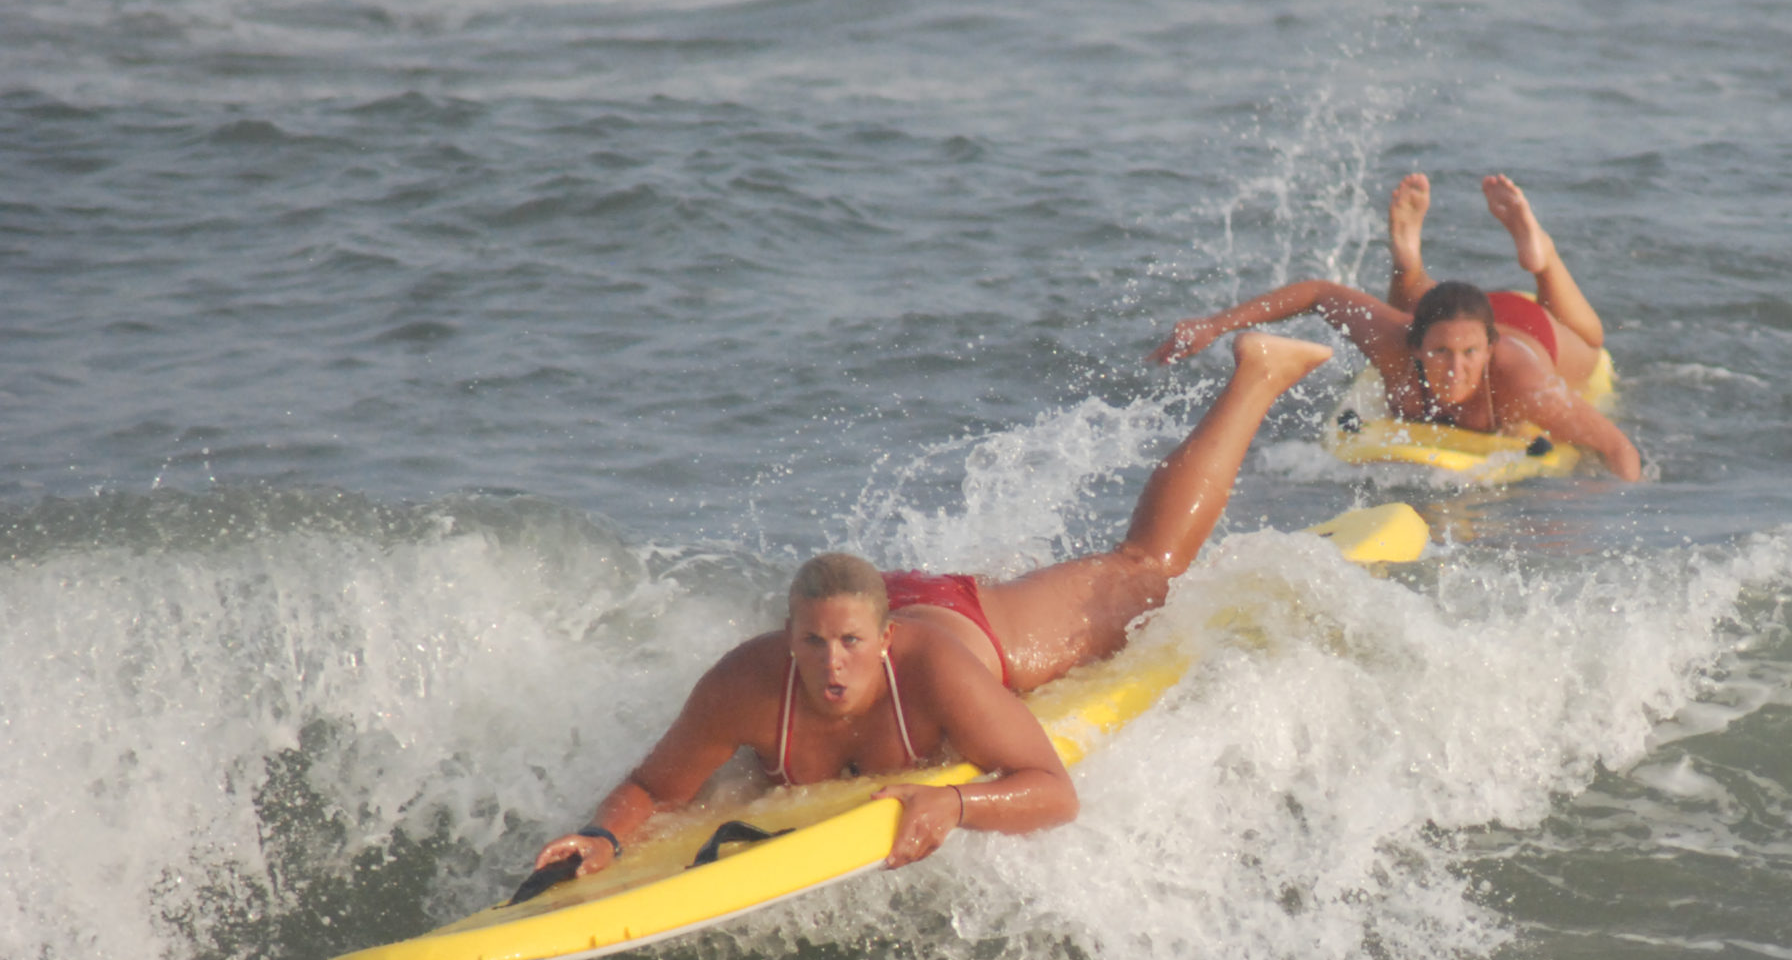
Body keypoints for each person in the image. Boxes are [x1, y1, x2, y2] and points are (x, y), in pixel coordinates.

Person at [532, 332, 1335, 876]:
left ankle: (1258, 373)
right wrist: (604, 836)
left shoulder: (937, 673)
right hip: (870, 600)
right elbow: (654, 787)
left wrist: (955, 803)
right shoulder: (748, 682)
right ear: (788, 637)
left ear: (880, 642)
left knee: (1149, 573)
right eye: (812, 646)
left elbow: (1053, 791)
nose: (831, 665)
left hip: (966, 627)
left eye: (848, 646)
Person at [1150, 174, 1643, 482]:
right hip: (1459, 315)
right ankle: (1407, 262)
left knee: (1593, 342)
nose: (1455, 369)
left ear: (1488, 351)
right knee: (1411, 307)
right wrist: (1215, 325)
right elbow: (1319, 294)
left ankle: (1543, 258)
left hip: (1533, 327)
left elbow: (1616, 447)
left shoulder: (1524, 381)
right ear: (1413, 344)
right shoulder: (1395, 341)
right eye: (1440, 355)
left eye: (1470, 356)